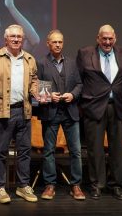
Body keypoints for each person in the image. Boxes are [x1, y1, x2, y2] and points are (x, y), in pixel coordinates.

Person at [76, 24, 122, 200]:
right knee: (95, 150)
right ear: (98, 38)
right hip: (94, 107)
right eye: (104, 38)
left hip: (116, 106)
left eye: (110, 38)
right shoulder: (85, 53)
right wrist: (84, 104)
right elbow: (79, 80)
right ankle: (97, 184)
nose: (107, 42)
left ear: (115, 38)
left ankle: (116, 185)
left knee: (117, 150)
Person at [0, 24, 38, 204]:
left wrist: (37, 92)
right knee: (1, 152)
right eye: (13, 37)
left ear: (22, 39)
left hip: (24, 111)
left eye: (19, 37)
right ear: (6, 39)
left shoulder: (30, 59)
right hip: (3, 111)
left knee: (24, 151)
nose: (16, 39)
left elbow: (34, 80)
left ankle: (23, 186)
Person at [36, 30, 85, 200]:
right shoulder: (41, 63)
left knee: (76, 151)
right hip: (50, 112)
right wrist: (49, 96)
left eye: (60, 42)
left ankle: (76, 185)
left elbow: (79, 84)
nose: (57, 45)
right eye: (54, 42)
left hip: (70, 112)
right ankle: (50, 185)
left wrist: (73, 94)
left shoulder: (72, 63)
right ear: (48, 44)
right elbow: (39, 90)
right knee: (49, 151)